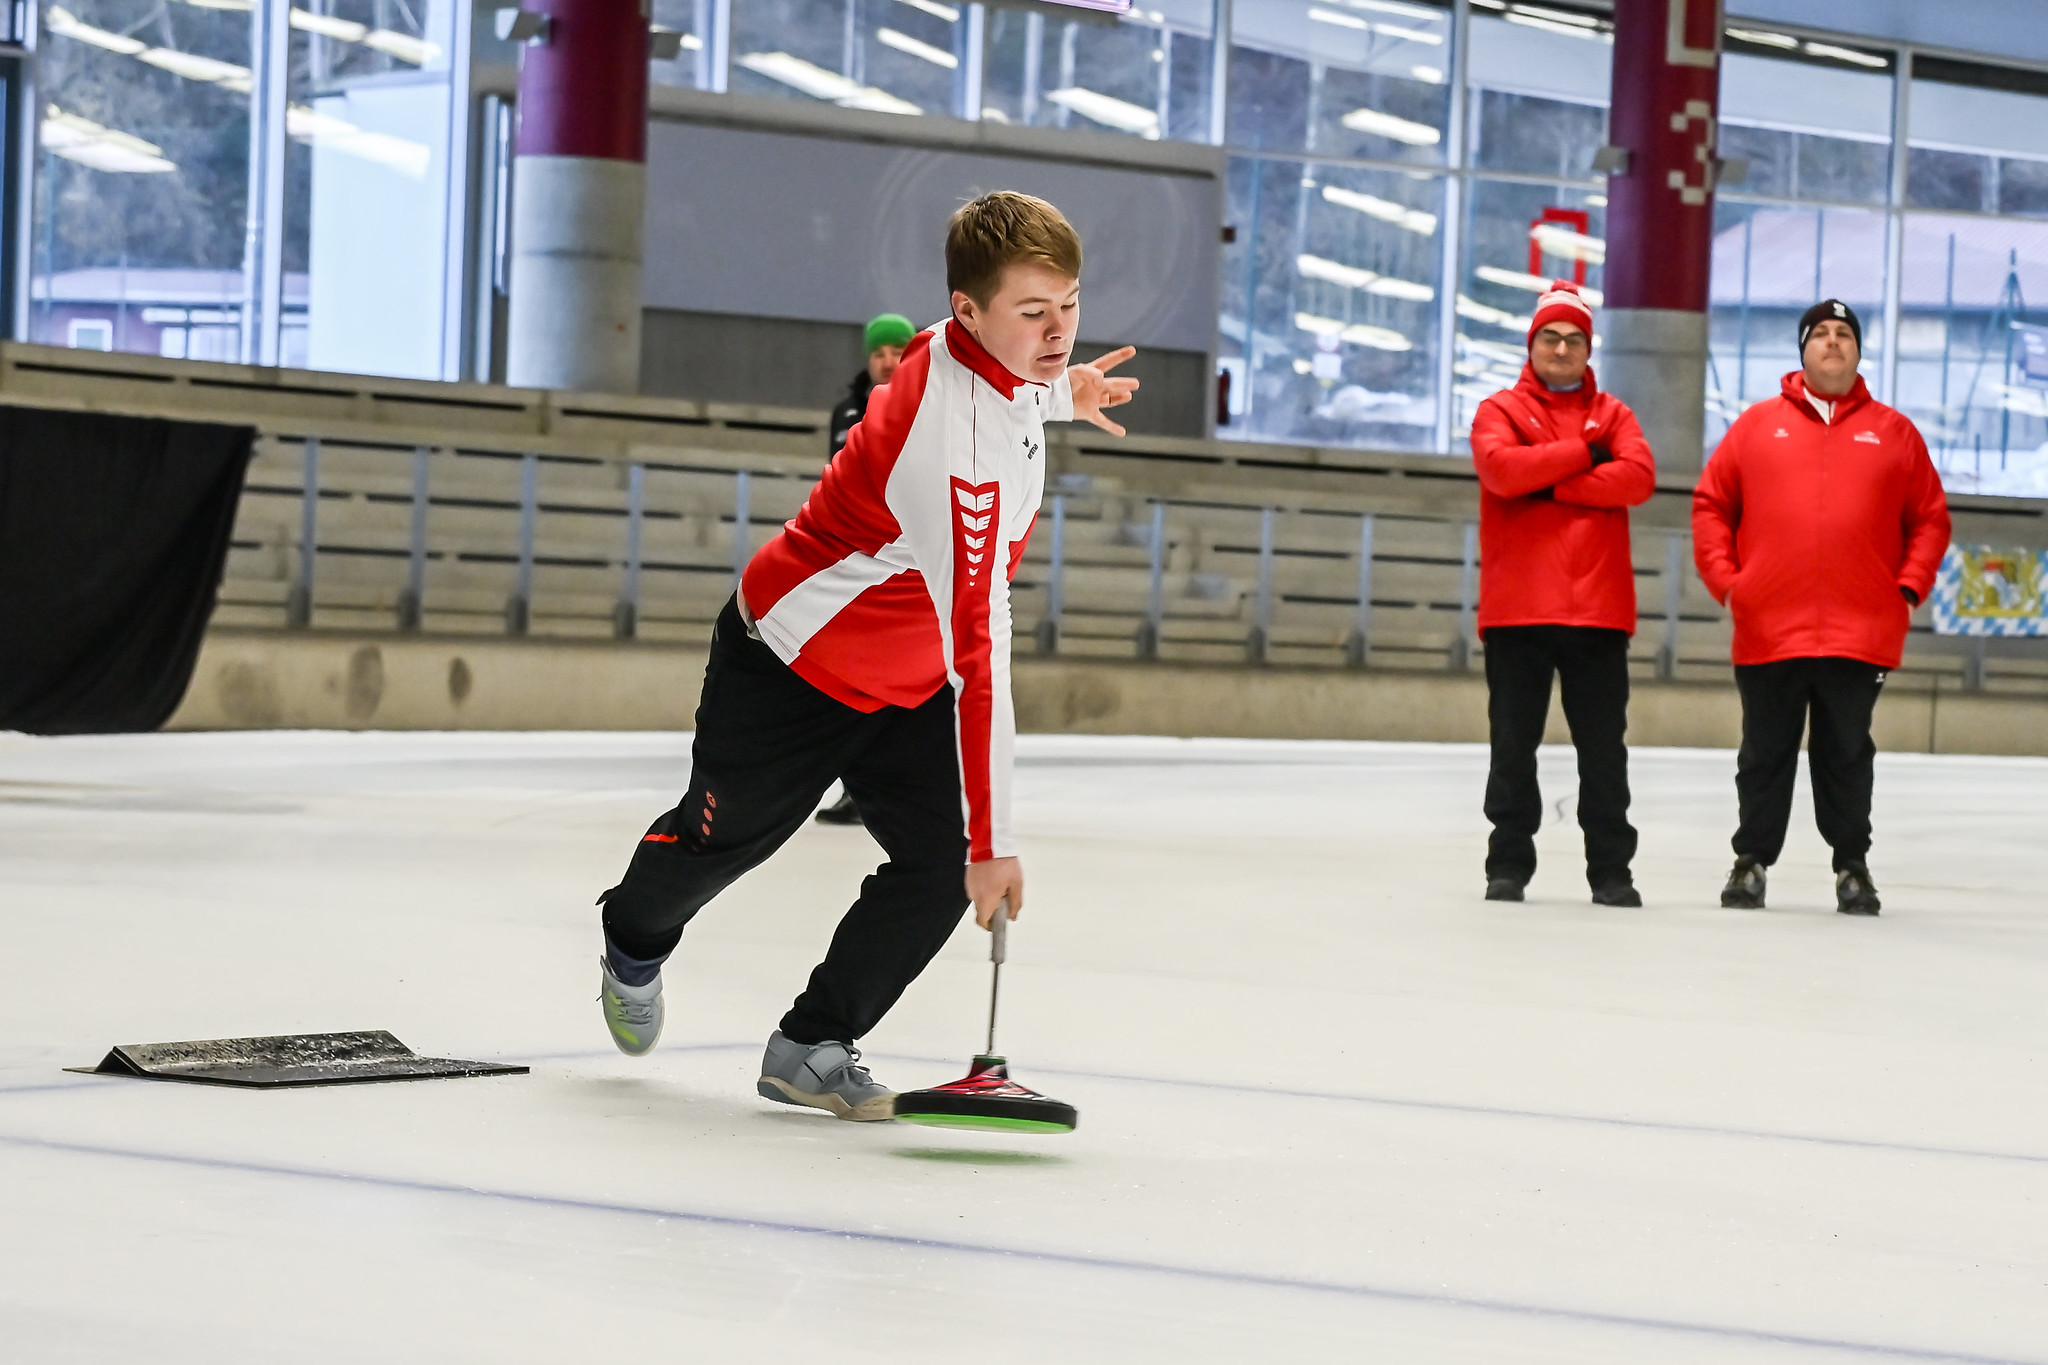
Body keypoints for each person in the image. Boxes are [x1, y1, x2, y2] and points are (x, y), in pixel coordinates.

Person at [593, 192, 1139, 1119]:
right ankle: (632, 939)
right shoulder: (950, 448)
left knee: (938, 860)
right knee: (721, 843)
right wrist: (1000, 845)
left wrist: (1064, 392)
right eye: (1034, 313)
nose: (1058, 331)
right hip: (792, 666)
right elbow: (981, 648)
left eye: (1070, 305)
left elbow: (1005, 379)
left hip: (905, 678)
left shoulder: (971, 348)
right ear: (968, 311)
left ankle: (813, 1041)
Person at [1692, 300, 1950, 915]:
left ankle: (1852, 867)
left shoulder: (1894, 433)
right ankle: (1751, 861)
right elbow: (1711, 506)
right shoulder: (1756, 426)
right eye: (1821, 335)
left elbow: (1930, 520)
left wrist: (1906, 589)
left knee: (1847, 751)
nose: (1833, 343)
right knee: (1764, 751)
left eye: (1845, 335)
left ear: (1858, 352)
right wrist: (1730, 584)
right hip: (1769, 626)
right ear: (1803, 351)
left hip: (1860, 632)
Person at [1470, 281, 1657, 906]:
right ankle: (1508, 864)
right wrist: (1582, 454)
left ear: (1588, 349)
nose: (1562, 347)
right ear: (1533, 344)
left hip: (1597, 611)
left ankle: (1611, 870)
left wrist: (1550, 483)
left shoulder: (1617, 414)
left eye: (1574, 338)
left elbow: (1637, 477)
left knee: (1603, 754)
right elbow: (1501, 470)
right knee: (1512, 745)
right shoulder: (1499, 409)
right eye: (1551, 336)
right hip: (1518, 607)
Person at [814, 312, 917, 827]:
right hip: (853, 557)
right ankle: (854, 784)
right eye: (878, 352)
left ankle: (875, 787)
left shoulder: (926, 406)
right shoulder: (849, 410)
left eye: (897, 351)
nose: (887, 360)